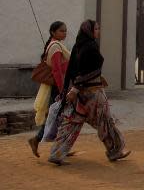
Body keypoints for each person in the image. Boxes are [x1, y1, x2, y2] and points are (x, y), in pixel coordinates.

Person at [48, 20, 130, 165]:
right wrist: (75, 88)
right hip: (93, 93)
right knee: (105, 121)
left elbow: (71, 71)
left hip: (77, 96)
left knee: (72, 123)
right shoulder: (91, 47)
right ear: (89, 31)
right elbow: (92, 71)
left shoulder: (77, 46)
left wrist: (70, 89)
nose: (98, 31)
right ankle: (114, 151)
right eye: (96, 29)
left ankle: (57, 153)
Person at [29, 21, 70, 158]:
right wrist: (62, 90)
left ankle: (60, 146)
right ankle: (39, 139)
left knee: (59, 116)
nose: (64, 33)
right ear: (53, 32)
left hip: (59, 86)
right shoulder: (56, 47)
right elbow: (57, 71)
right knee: (57, 116)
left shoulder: (57, 45)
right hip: (57, 87)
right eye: (61, 31)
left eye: (65, 31)